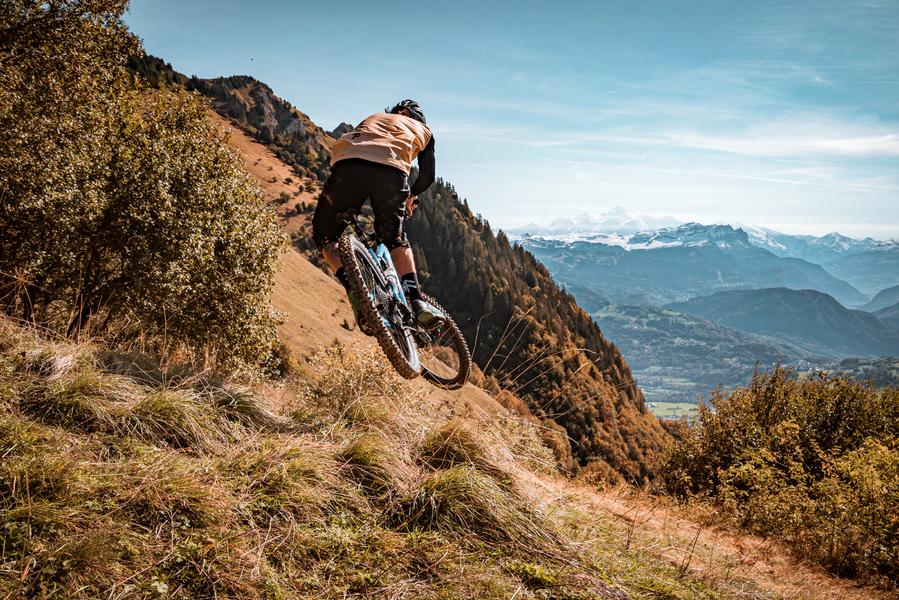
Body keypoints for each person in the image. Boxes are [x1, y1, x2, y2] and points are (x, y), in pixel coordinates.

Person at [312, 99, 444, 332]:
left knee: (325, 236)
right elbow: (427, 177)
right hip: (390, 172)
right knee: (394, 238)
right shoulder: (423, 130)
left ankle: (358, 298)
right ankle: (417, 303)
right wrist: (411, 195)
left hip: (346, 167)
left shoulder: (372, 118)